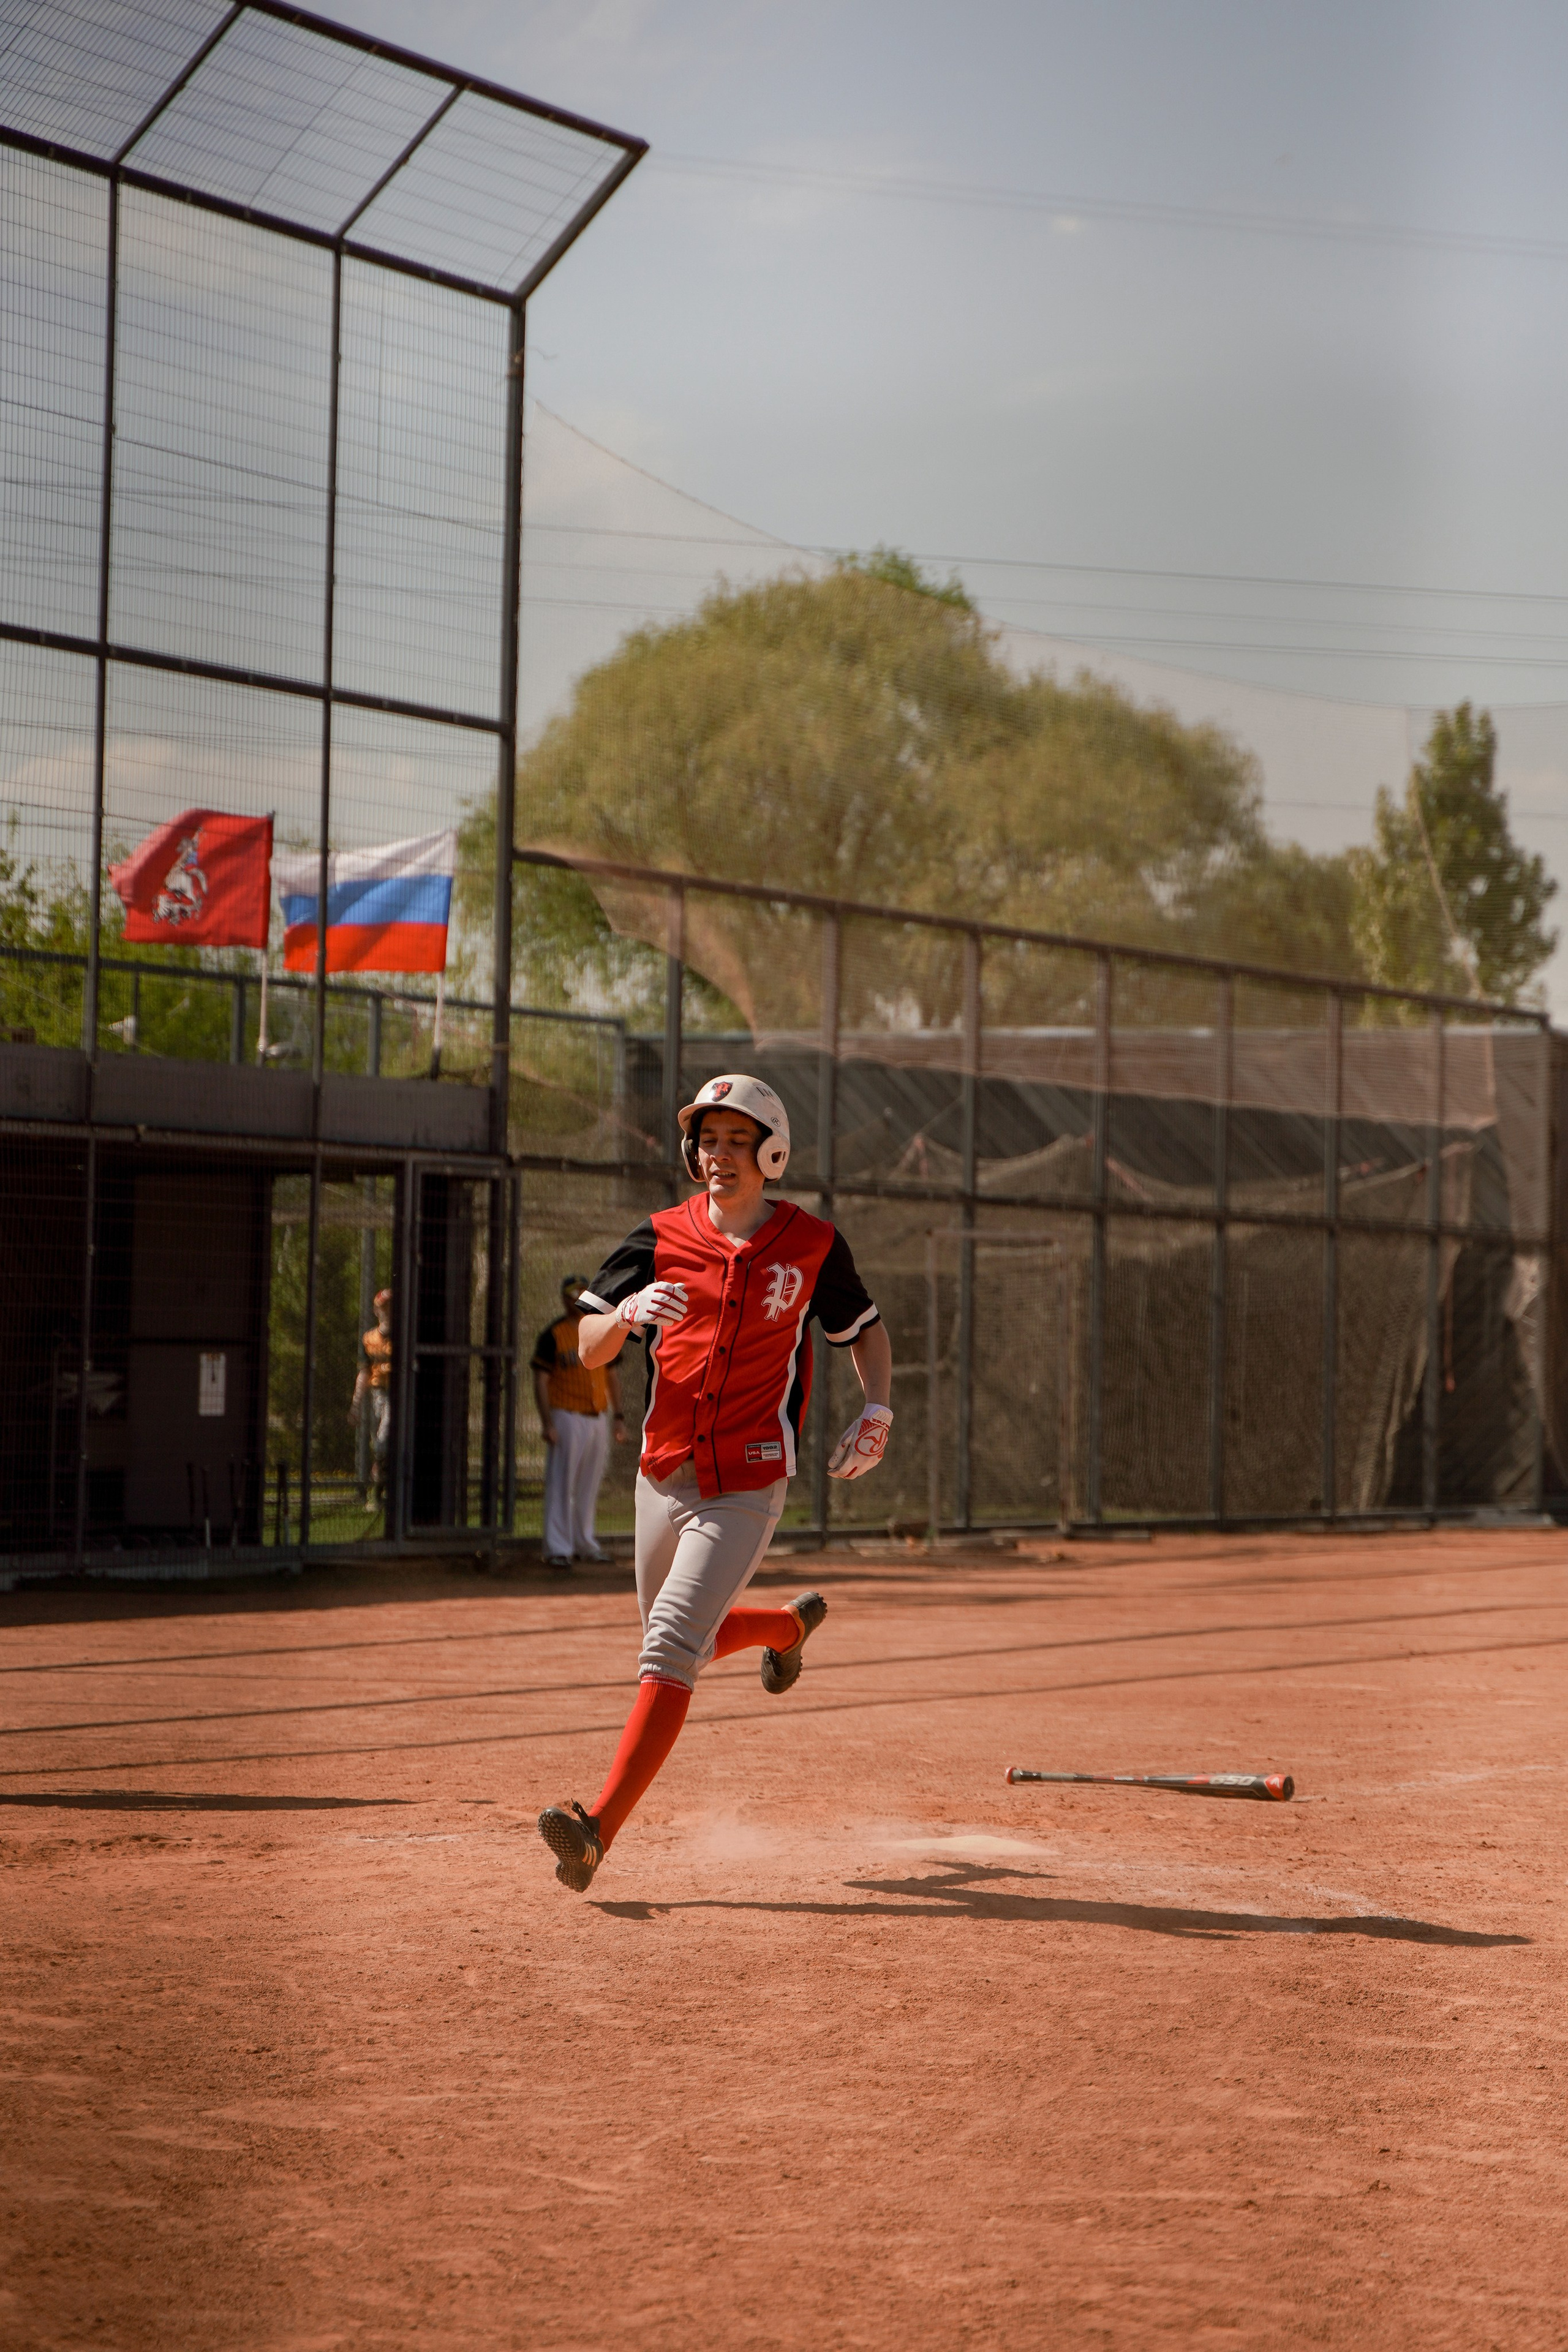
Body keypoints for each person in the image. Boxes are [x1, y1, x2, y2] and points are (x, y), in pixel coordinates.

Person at [537, 1074, 893, 1892]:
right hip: (662, 1471)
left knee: (668, 1645)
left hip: (747, 1478)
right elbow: (584, 1347)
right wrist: (624, 1318)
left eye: (738, 1140)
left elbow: (864, 1334)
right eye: (708, 1140)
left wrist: (878, 1410)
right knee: (676, 1641)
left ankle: (595, 1832)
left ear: (773, 1152)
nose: (719, 1155)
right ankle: (782, 1631)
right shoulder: (658, 1236)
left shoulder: (811, 1244)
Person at [532, 1274, 627, 1567]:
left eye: (581, 1294)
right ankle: (558, 1549)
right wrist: (547, 1422)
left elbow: (611, 1374)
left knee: (589, 1484)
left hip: (598, 1416)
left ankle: (585, 1543)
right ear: (563, 1299)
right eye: (571, 1294)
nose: (576, 1300)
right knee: (562, 1484)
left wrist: (619, 1416)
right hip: (566, 1416)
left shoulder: (599, 1329)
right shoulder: (554, 1334)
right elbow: (540, 1380)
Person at [348, 1287, 393, 1499]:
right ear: (377, 1310)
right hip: (377, 1394)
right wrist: (356, 1404)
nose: (387, 1311)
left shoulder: (403, 1337)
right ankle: (383, 1491)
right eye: (383, 1307)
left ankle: (377, 1494)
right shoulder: (369, 1338)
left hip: (397, 1394)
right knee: (378, 1444)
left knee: (384, 1440)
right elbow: (364, 1373)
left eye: (391, 1307)